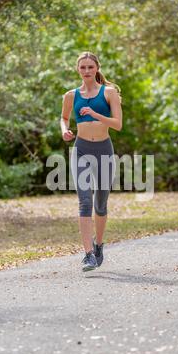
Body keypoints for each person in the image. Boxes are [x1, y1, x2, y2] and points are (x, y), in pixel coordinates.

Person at [60, 51, 122, 272]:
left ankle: (98, 245)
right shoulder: (71, 95)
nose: (86, 71)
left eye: (90, 67)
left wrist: (96, 115)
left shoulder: (109, 93)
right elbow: (64, 117)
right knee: (85, 201)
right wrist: (65, 130)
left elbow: (118, 124)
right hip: (81, 149)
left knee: (101, 203)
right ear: (78, 69)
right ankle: (87, 255)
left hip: (104, 149)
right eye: (82, 67)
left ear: (97, 68)